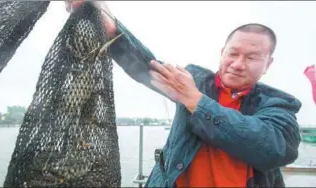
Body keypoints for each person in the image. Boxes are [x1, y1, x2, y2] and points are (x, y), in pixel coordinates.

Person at [67, 1, 302, 187]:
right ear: (222, 53)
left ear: (268, 64)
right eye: (232, 53)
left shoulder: (279, 104)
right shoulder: (195, 80)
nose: (238, 64)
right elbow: (148, 67)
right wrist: (113, 29)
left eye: (251, 57)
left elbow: (273, 149)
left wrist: (195, 101)